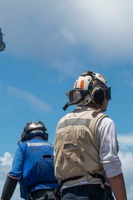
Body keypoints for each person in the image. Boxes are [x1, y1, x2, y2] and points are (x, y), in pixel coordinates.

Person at [54, 71, 127, 200]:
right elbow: (111, 166)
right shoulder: (103, 122)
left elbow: (59, 164)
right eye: (106, 93)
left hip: (65, 193)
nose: (108, 98)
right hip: (94, 192)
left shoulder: (62, 123)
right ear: (98, 93)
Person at [0, 121, 58, 200]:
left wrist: (4, 198)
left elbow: (14, 175)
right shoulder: (54, 147)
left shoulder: (23, 147)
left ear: (25, 135)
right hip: (57, 194)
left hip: (36, 195)